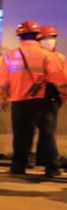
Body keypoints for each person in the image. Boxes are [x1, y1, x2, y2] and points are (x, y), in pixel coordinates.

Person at [0, 20, 67, 178]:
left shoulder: (10, 55)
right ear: (38, 36)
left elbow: (3, 80)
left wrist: (3, 97)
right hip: (42, 100)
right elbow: (59, 79)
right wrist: (63, 95)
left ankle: (18, 166)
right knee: (47, 134)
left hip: (18, 101)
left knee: (21, 135)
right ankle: (51, 168)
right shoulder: (47, 54)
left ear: (19, 36)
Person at [37, 25, 66, 170]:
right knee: (47, 130)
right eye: (45, 38)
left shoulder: (60, 57)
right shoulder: (37, 56)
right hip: (40, 96)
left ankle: (42, 158)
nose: (49, 41)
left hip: (54, 97)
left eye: (52, 38)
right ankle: (52, 161)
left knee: (46, 130)